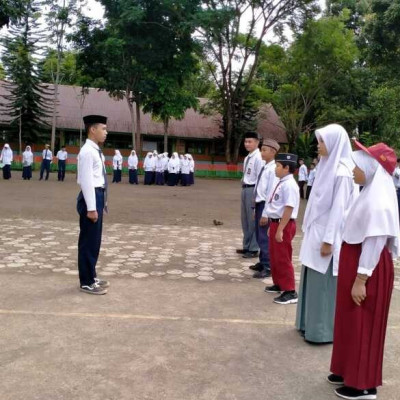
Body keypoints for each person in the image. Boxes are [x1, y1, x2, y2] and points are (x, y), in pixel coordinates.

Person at [328, 141, 399, 400]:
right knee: (349, 319)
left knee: (363, 322)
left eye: (357, 167)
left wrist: (361, 279)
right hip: (357, 263)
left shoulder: (378, 201)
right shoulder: (368, 192)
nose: (353, 171)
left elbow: (375, 242)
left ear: (372, 168)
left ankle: (363, 385)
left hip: (367, 269)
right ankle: (348, 370)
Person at [295, 124, 357, 344]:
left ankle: (320, 331)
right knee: (311, 281)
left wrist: (329, 240)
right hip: (316, 233)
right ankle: (306, 323)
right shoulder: (325, 166)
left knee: (323, 286)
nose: (318, 146)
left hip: (327, 238)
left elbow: (339, 211)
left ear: (334, 143)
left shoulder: (342, 172)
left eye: (322, 141)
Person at [77, 114, 110, 295]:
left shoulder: (95, 149)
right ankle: (86, 282)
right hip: (91, 198)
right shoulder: (87, 151)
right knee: (88, 242)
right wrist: (91, 208)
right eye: (103, 128)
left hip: (97, 196)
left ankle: (91, 275)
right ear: (93, 129)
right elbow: (86, 182)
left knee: (94, 241)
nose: (106, 132)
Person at [264, 153, 300, 304]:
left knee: (283, 257)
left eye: (278, 166)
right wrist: (272, 225)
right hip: (276, 223)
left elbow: (288, 208)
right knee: (275, 255)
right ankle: (279, 283)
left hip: (283, 224)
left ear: (287, 168)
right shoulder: (281, 182)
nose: (275, 169)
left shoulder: (290, 185)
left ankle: (290, 291)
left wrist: (280, 229)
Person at [250, 139, 280, 279]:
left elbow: (270, 193)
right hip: (259, 204)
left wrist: (265, 213)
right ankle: (262, 262)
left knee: (264, 237)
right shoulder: (265, 166)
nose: (261, 152)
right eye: (261, 150)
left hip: (265, 205)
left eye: (264, 150)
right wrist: (255, 208)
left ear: (273, 152)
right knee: (259, 235)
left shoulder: (273, 170)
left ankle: (268, 266)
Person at [237, 131, 264, 258]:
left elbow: (260, 178)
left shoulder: (259, 158)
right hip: (245, 188)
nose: (247, 144)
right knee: (245, 219)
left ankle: (253, 248)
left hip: (253, 189)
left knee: (252, 220)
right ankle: (246, 245)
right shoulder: (248, 157)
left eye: (250, 141)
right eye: (245, 141)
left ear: (257, 143)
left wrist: (256, 196)